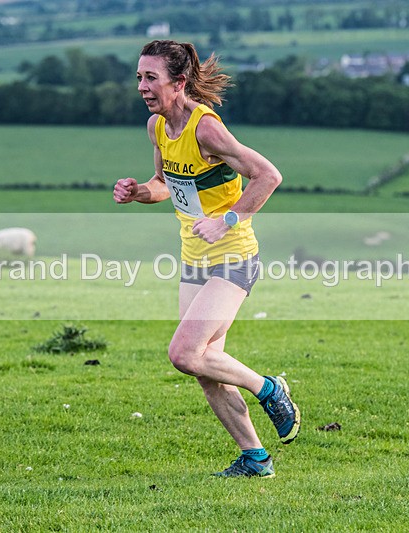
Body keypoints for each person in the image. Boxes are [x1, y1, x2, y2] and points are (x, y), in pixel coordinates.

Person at [113, 40, 300, 478]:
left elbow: (268, 175)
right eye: (139, 76)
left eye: (150, 77)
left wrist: (229, 219)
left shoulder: (206, 129)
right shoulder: (157, 126)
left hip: (233, 256)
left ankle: (269, 387)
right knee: (203, 366)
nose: (141, 86)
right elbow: (163, 183)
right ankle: (256, 458)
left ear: (178, 83)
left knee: (183, 352)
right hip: (193, 260)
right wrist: (140, 192)